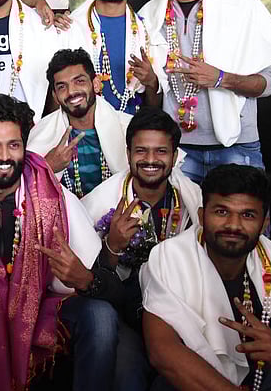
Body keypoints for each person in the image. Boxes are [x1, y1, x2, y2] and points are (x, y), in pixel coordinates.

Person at [0, 94, 101, 391]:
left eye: (14, 145)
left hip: (41, 310)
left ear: (24, 146)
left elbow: (83, 276)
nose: (5, 156)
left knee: (101, 318)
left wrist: (82, 278)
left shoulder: (56, 198)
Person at [59, 107, 202, 391]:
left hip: (182, 310)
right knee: (127, 376)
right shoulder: (99, 202)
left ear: (174, 156)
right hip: (123, 311)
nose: (150, 160)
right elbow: (86, 283)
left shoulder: (192, 201)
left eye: (161, 152)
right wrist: (112, 246)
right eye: (141, 151)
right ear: (128, 154)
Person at [141, 164, 271, 391]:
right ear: (202, 216)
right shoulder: (170, 257)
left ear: (264, 224)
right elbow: (162, 350)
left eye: (248, 215)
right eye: (221, 212)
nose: (233, 225)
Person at [139, 0, 271, 183]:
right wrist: (152, 83)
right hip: (178, 148)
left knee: (241, 223)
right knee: (181, 224)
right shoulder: (149, 16)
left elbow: (268, 84)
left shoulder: (241, 5)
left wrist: (221, 78)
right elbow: (154, 98)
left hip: (236, 144)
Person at [67, 0, 165, 113]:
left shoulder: (149, 31)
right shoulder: (72, 27)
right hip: (83, 135)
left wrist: (151, 81)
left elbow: (154, 106)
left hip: (132, 131)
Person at [27, 49, 132, 198]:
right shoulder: (42, 134)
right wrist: (47, 167)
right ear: (55, 96)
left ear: (95, 84)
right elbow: (21, 191)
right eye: (62, 87)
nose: (72, 92)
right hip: (66, 219)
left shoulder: (127, 128)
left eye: (79, 81)